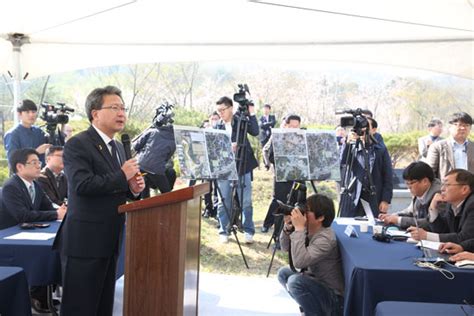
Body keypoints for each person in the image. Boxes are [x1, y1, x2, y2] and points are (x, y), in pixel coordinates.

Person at [53, 86, 145, 316]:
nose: (121, 113)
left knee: (103, 306)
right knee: (80, 307)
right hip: (85, 242)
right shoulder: (78, 144)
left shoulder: (118, 148)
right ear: (95, 113)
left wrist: (132, 190)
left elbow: (114, 187)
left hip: (110, 239)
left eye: (123, 108)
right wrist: (122, 175)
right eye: (114, 107)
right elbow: (82, 185)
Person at [277, 194, 344, 315]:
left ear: (320, 218)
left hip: (333, 297)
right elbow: (285, 247)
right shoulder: (308, 229)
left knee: (295, 282)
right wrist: (288, 227)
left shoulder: (326, 238)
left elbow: (299, 262)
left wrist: (298, 229)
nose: (302, 213)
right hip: (313, 280)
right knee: (283, 274)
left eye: (307, 210)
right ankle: (308, 308)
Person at [215, 96, 259, 244]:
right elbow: (214, 147)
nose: (220, 113)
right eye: (218, 110)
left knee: (245, 200)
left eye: (223, 110)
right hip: (224, 168)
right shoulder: (217, 126)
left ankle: (248, 231)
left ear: (231, 108)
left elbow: (255, 131)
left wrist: (251, 113)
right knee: (224, 200)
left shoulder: (240, 120)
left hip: (243, 165)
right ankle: (223, 230)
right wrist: (227, 147)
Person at [0, 148, 67, 229]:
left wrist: (61, 211)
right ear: (19, 166)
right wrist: (56, 214)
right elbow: (22, 215)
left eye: (39, 162)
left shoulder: (36, 184)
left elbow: (47, 206)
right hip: (9, 232)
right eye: (34, 163)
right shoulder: (11, 187)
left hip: (30, 229)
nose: (39, 166)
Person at [339, 118, 393, 218]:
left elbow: (388, 176)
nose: (361, 132)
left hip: (373, 197)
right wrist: (347, 144)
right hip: (353, 196)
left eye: (365, 129)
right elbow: (342, 163)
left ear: (373, 130)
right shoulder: (352, 146)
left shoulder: (380, 149)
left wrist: (385, 200)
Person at [408, 169, 474, 244]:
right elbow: (443, 230)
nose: (442, 189)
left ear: (464, 189)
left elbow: (465, 237)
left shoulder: (472, 204)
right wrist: (433, 208)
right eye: (443, 185)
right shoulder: (451, 204)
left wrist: (426, 236)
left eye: (447, 185)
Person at [262, 114, 301, 233]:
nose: (294, 129)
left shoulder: (301, 138)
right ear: (286, 125)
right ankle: (273, 230)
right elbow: (268, 153)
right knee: (279, 202)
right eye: (292, 126)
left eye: (297, 126)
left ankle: (292, 230)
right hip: (281, 175)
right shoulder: (277, 137)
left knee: (296, 203)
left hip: (298, 176)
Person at [379, 161, 441, 229]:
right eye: (407, 183)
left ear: (425, 181)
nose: (408, 187)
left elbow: (429, 223)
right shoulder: (420, 192)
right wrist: (392, 216)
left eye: (411, 183)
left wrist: (398, 220)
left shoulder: (439, 195)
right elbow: (410, 212)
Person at [426, 112, 474, 180]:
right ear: (450, 127)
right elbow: (429, 173)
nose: (463, 128)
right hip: (446, 188)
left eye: (466, 125)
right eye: (459, 125)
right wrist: (438, 190)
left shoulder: (472, 147)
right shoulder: (437, 147)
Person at [4, 99, 51, 165]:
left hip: (40, 172)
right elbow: (13, 159)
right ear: (19, 114)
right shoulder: (12, 134)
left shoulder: (39, 131)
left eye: (33, 111)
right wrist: (36, 151)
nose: (31, 115)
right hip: (22, 174)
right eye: (27, 112)